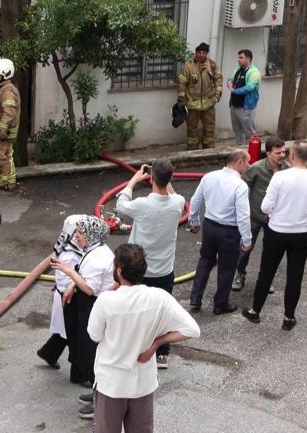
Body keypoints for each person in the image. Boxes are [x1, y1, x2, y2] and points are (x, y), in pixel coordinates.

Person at [88, 244, 200, 433]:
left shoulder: (106, 300)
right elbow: (192, 329)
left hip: (111, 383)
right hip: (142, 383)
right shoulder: (158, 297)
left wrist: (110, 291)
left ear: (119, 271)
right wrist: (157, 343)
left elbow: (94, 335)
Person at [242, 140, 307, 330]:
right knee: (295, 276)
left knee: (267, 271)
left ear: (291, 155)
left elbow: (265, 206)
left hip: (277, 231)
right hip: (302, 233)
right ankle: (289, 317)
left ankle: (255, 311)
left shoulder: (280, 177)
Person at [115, 160, 185, 368]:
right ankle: (162, 353)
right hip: (164, 269)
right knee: (162, 311)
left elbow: (120, 206)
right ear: (170, 179)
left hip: (140, 269)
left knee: (134, 309)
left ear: (151, 179)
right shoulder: (178, 203)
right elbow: (171, 194)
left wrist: (134, 180)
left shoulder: (142, 204)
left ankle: (134, 346)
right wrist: (164, 177)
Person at [50, 216, 113, 419]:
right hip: (92, 306)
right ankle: (97, 393)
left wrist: (68, 271)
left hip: (95, 307)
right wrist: (72, 284)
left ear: (92, 236)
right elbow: (84, 279)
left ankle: (101, 404)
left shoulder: (97, 258)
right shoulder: (95, 251)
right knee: (88, 351)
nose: (77, 237)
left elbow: (89, 287)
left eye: (81, 233)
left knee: (93, 354)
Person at [189, 149, 252, 314]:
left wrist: (194, 221)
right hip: (229, 232)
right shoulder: (240, 185)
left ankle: (195, 298)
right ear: (239, 162)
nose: (249, 166)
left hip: (210, 226)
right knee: (227, 267)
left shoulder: (209, 176)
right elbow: (243, 216)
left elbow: (195, 200)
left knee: (205, 260)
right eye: (248, 162)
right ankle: (220, 304)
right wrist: (247, 239)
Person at [232, 137, 290, 291]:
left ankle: (265, 279)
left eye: (284, 151)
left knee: (271, 252)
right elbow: (244, 191)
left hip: (276, 220)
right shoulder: (256, 168)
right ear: (269, 153)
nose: (283, 155)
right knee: (245, 248)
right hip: (255, 217)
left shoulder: (288, 170)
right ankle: (239, 274)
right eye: (278, 152)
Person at [36, 214, 86, 370]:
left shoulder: (67, 247)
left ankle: (48, 353)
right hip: (68, 299)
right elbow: (67, 281)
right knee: (75, 336)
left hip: (65, 298)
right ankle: (78, 371)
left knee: (65, 331)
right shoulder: (70, 255)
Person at [177, 42, 222, 150]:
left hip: (209, 105)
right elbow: (182, 83)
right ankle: (192, 150)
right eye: (199, 52)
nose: (201, 55)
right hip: (192, 105)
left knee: (209, 128)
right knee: (192, 129)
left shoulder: (212, 65)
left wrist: (217, 95)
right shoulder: (188, 66)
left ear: (207, 54)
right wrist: (181, 100)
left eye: (204, 53)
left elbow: (218, 80)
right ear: (196, 53)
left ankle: (209, 149)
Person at [0, 58, 21, 190]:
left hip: (3, 132)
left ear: (5, 74)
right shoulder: (3, 88)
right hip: (0, 130)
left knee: (3, 157)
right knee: (5, 156)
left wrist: (2, 129)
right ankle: (8, 181)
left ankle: (6, 182)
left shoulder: (7, 91)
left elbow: (9, 112)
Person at [228, 49, 261, 147]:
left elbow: (249, 87)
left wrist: (234, 90)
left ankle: (251, 155)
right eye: (238, 57)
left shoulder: (254, 72)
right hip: (234, 106)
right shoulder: (238, 69)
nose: (238, 60)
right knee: (238, 132)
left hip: (245, 107)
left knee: (249, 134)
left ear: (248, 58)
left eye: (241, 57)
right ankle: (240, 153)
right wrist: (229, 83)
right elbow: (230, 80)